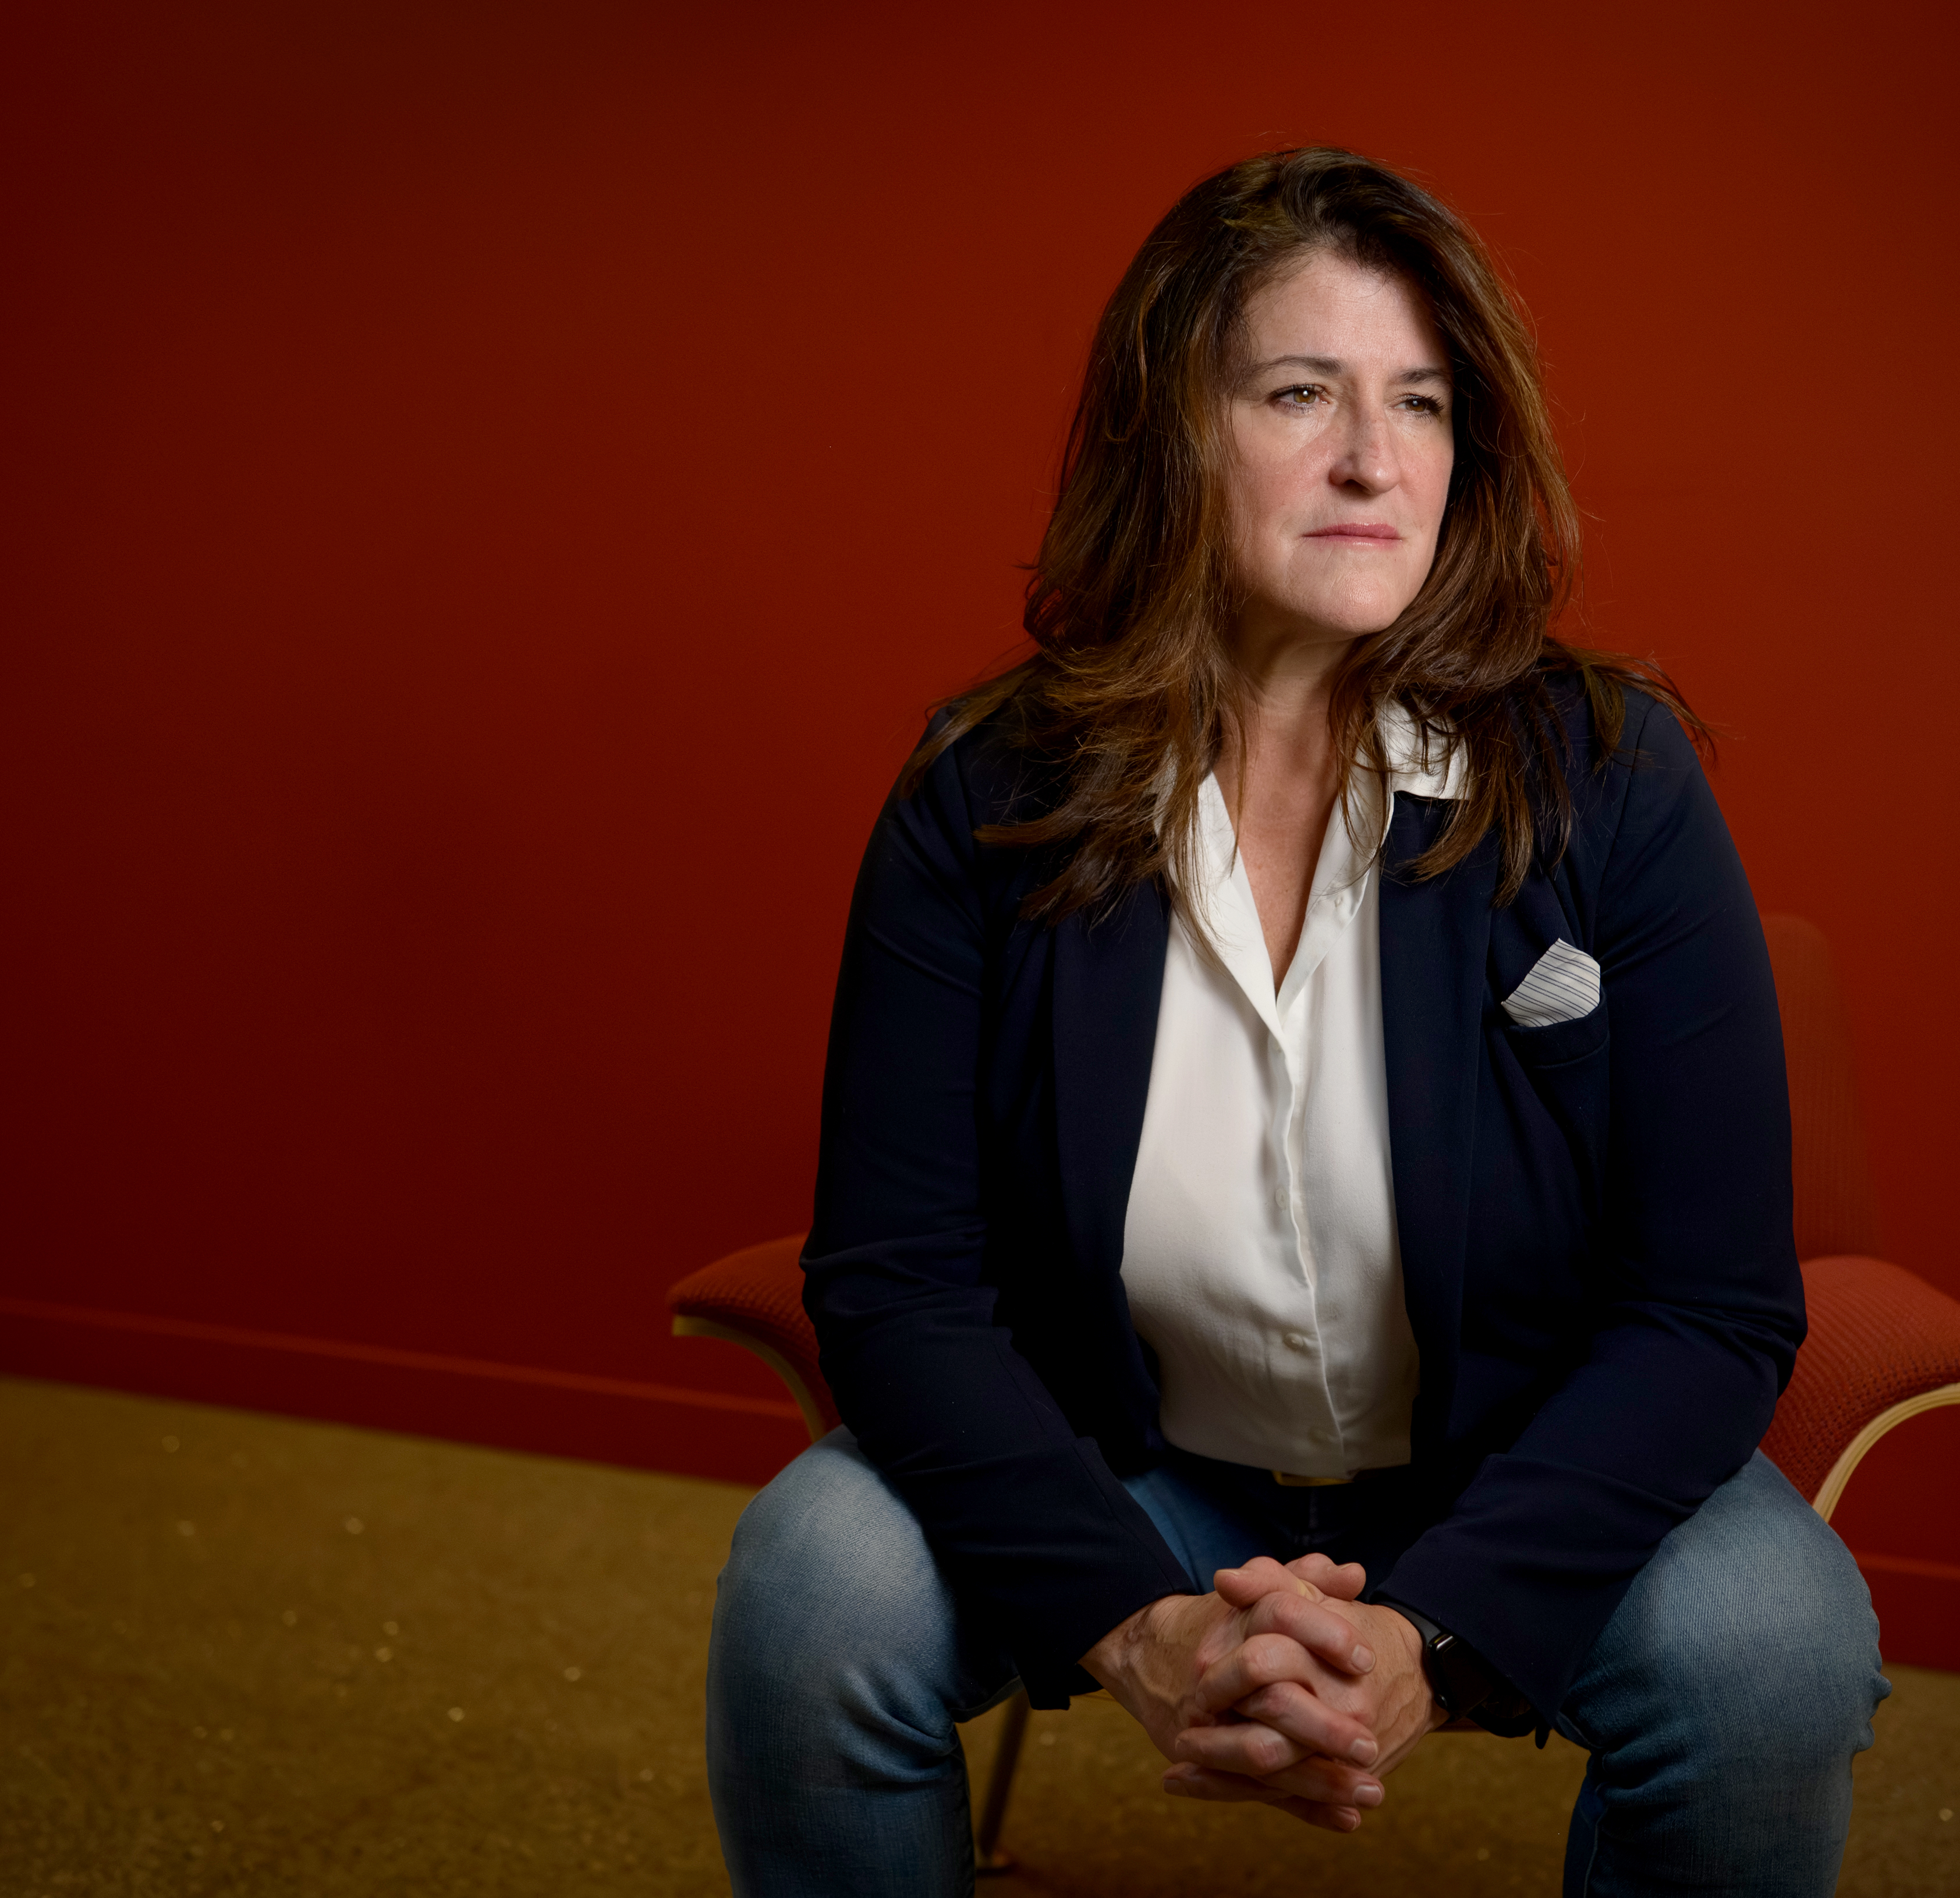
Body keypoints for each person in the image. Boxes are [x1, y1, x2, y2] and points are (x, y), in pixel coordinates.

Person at [705, 147, 1886, 1897]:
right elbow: (895, 1278)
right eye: (1299, 392)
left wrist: (1435, 1624)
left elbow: (1708, 1306)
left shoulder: (1611, 776)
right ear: (1168, 430)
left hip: (1510, 1466)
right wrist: (1131, 1617)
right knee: (809, 1591)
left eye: (1418, 401)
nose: (1373, 457)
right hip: (1138, 1465)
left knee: (1770, 1643)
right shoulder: (983, 794)